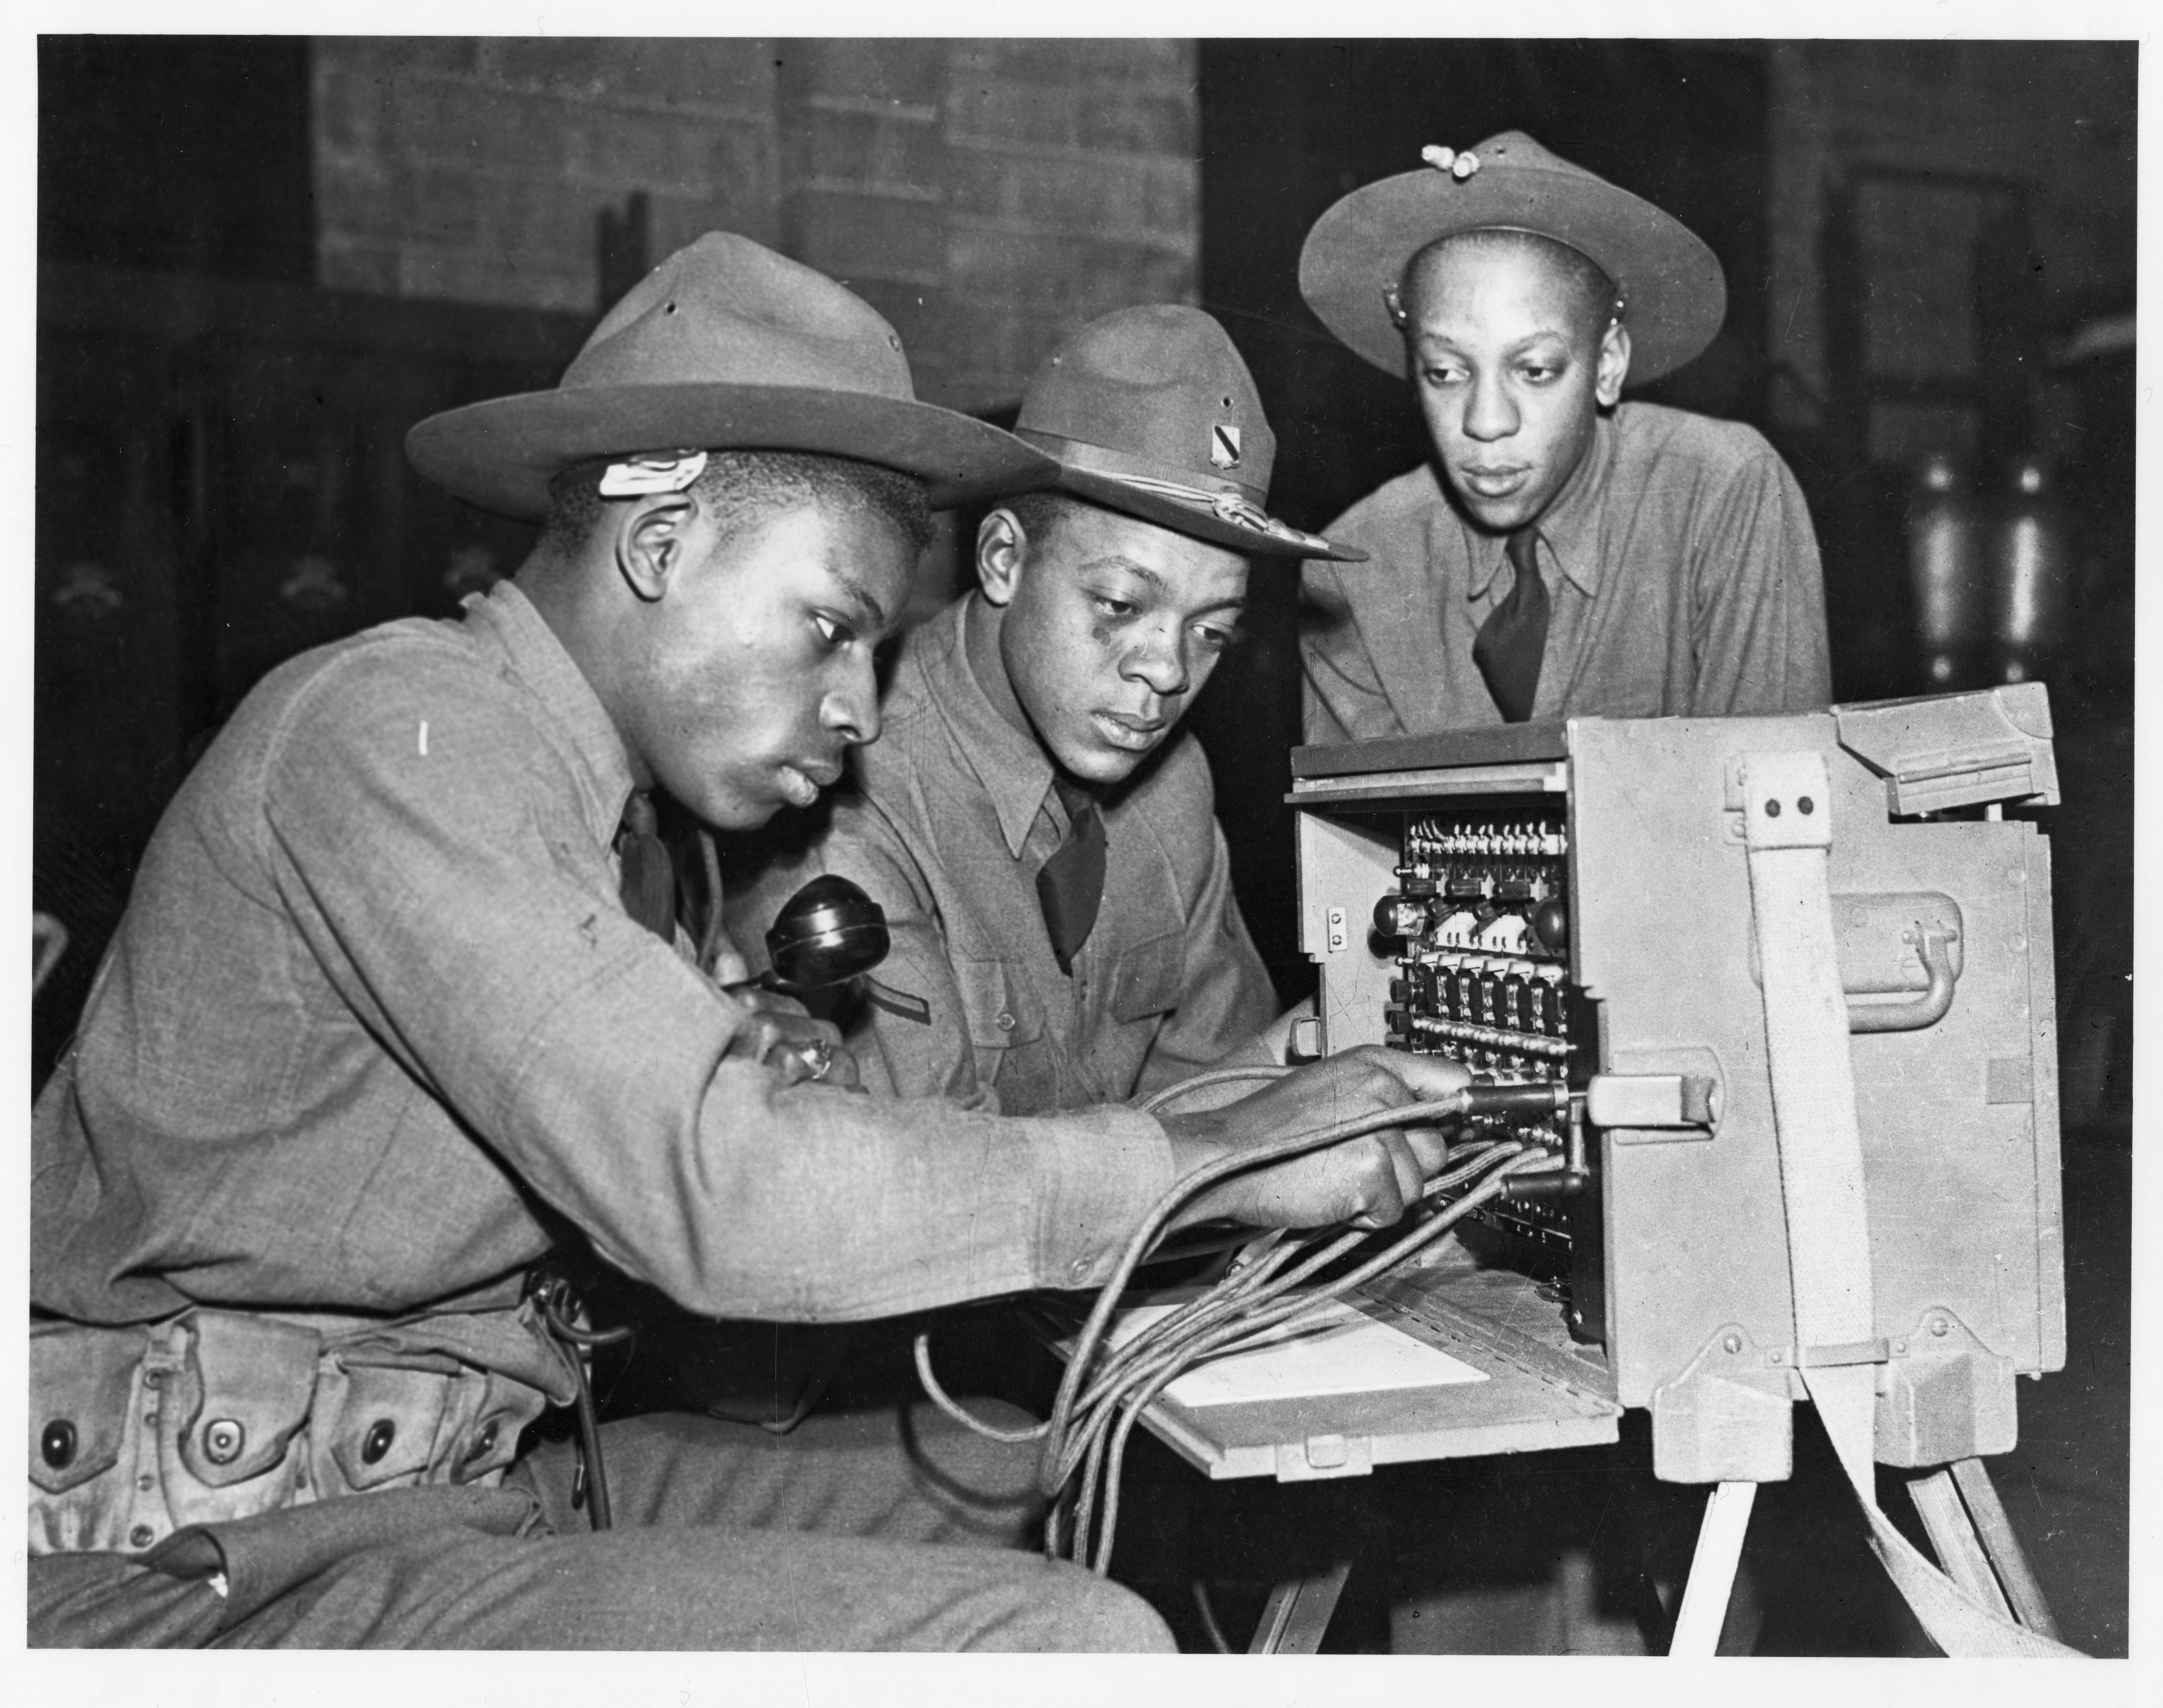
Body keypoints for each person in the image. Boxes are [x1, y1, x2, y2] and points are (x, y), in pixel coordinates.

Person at [29, 232, 1471, 1652]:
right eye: (831, 628)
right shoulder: (393, 733)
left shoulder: (617, 820)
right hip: (196, 1572)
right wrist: (1209, 1159)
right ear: (659, 547)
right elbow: (721, 1195)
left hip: (451, 1483)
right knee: (1065, 1645)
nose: (861, 704)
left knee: (1072, 1460)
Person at [725, 305, 1364, 1115]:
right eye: (1121, 603)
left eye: (1212, 632)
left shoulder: (1173, 782)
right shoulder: (843, 795)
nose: (1168, 672)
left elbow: (1212, 1086)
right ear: (1002, 560)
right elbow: (936, 1184)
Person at [1297, 130, 1831, 743]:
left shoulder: (1720, 493)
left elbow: (1775, 795)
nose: (1487, 421)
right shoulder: (1356, 568)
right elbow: (1355, 836)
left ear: (1606, 365)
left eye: (1534, 371)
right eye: (1445, 373)